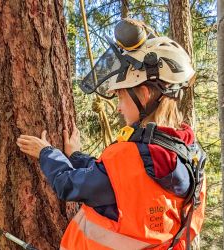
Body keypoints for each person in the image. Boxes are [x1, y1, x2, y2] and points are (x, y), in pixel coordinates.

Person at [16, 19, 206, 250]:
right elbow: (116, 181)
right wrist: (75, 156)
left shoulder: (133, 157)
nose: (118, 107)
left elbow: (68, 184)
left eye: (120, 96)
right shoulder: (189, 154)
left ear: (144, 94)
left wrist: (46, 153)